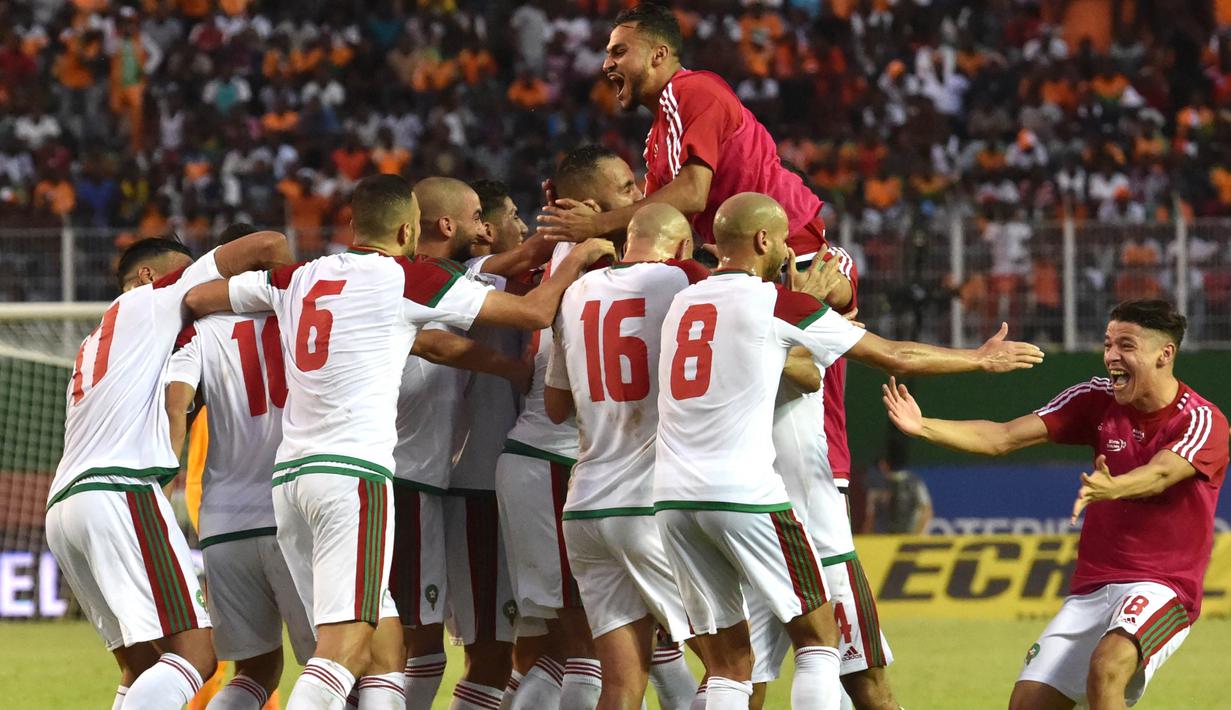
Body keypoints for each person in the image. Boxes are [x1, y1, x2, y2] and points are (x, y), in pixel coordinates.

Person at [181, 174, 615, 710]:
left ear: (351, 224)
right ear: (409, 229)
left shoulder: (298, 277)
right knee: (343, 650)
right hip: (352, 477)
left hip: (290, 479)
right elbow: (532, 313)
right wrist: (580, 256)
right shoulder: (406, 278)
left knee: (383, 650)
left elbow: (200, 296)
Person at [653, 192, 1043, 710]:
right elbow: (892, 355)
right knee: (820, 646)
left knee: (727, 669)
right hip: (753, 497)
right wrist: (977, 359)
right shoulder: (780, 304)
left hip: (672, 499)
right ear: (765, 240)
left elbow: (788, 368)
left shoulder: (682, 301)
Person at [882, 299, 1228, 710]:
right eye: (1107, 343)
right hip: (1092, 591)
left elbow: (1161, 473)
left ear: (1164, 354)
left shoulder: (1202, 419)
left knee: (1107, 669)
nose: (1111, 356)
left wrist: (1113, 487)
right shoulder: (1095, 398)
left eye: (1126, 345)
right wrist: (923, 426)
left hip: (1163, 588)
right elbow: (1004, 436)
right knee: (1027, 703)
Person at [45, 230, 293, 710]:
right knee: (198, 656)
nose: (193, 291)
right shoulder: (154, 301)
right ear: (150, 276)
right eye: (184, 270)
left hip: (66, 507)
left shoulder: (98, 339)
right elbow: (267, 243)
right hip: (119, 490)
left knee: (139, 667)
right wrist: (295, 294)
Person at [543, 203, 705, 709]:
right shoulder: (682, 279)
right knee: (735, 663)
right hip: (647, 504)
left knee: (620, 683)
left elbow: (554, 406)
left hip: (586, 504)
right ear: (681, 247)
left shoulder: (574, 293)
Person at [164, 224, 315, 708]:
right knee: (333, 662)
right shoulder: (305, 317)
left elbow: (176, 406)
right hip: (296, 511)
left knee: (255, 672)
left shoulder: (198, 332)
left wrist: (161, 487)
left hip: (225, 521)